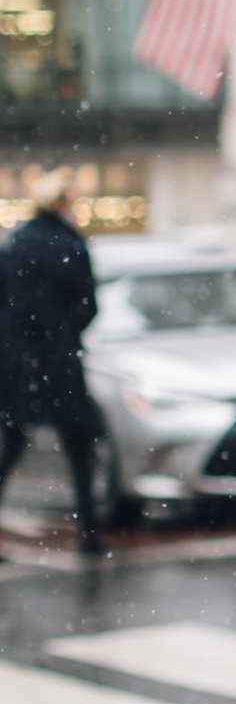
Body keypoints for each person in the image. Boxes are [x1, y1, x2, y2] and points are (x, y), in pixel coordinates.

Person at [0, 171, 105, 555]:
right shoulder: (69, 244)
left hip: (17, 359)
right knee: (80, 444)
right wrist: (65, 333)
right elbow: (89, 305)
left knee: (10, 443)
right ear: (63, 204)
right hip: (58, 357)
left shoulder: (15, 242)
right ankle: (89, 533)